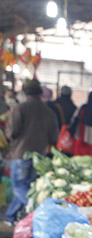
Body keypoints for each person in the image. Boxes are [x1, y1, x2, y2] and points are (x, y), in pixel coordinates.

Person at [6, 80, 58, 224]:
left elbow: (13, 132)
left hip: (21, 153)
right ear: (40, 93)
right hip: (39, 157)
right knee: (26, 187)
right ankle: (10, 217)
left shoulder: (20, 108)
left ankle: (37, 209)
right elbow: (54, 137)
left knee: (19, 187)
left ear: (24, 92)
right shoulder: (49, 112)